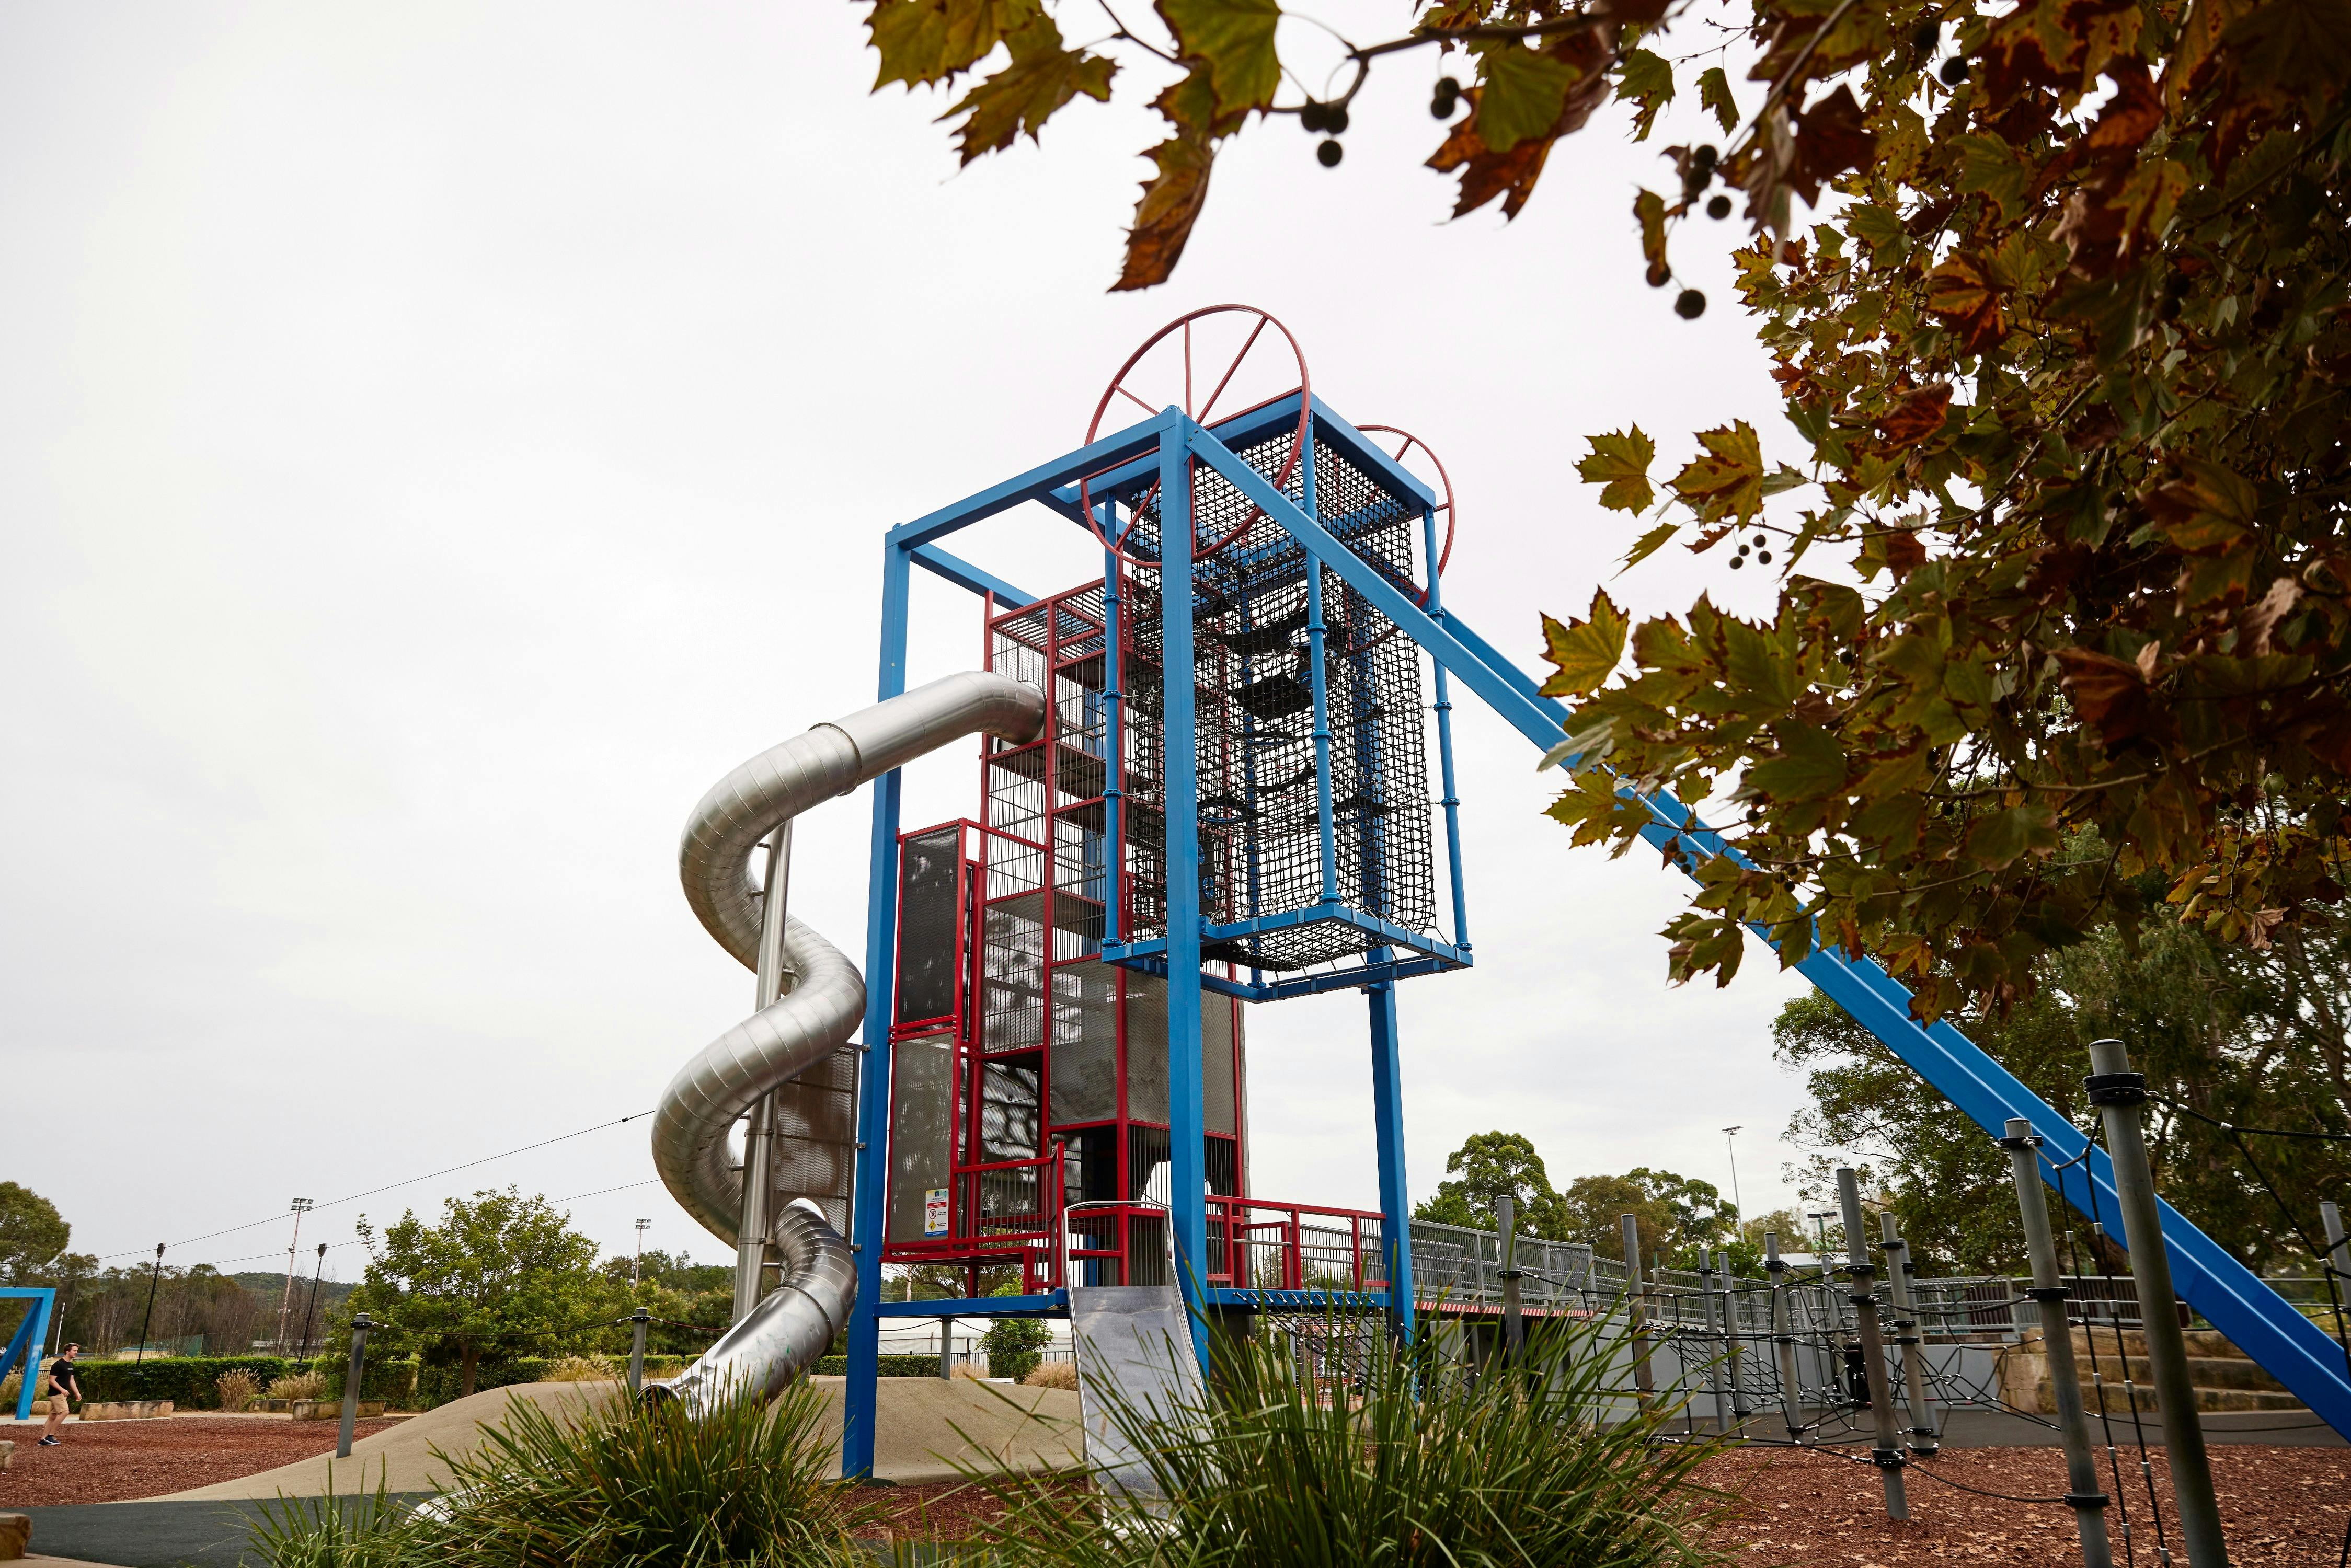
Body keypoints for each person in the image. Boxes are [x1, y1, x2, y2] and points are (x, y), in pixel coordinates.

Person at [39, 1343, 81, 1445]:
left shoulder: (70, 1365)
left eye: (77, 1351)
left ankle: (43, 1440)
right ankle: (51, 1436)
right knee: (65, 1412)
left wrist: (77, 1393)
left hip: (61, 1394)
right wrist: (62, 1390)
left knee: (53, 1416)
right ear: (67, 1351)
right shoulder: (58, 1364)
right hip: (56, 1394)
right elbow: (52, 1381)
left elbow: (71, 1380)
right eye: (74, 1350)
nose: (76, 1352)